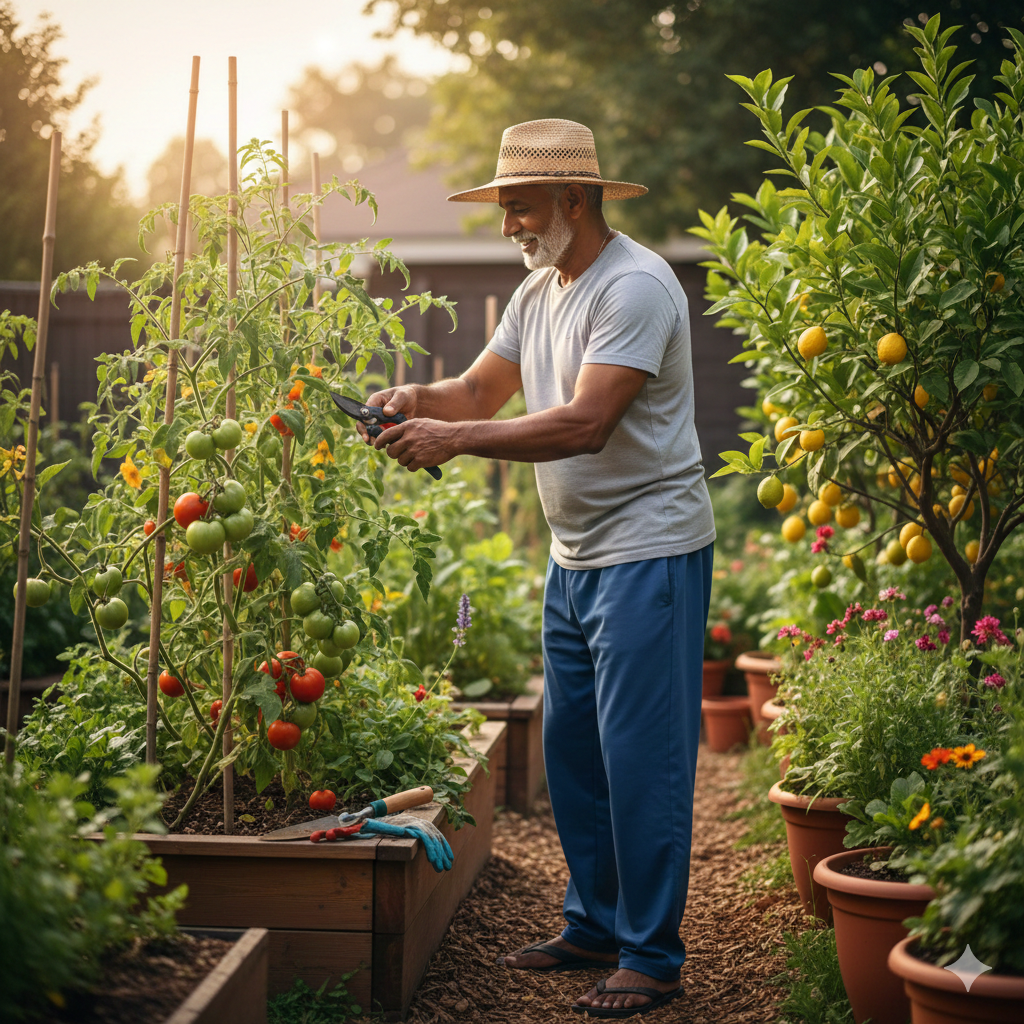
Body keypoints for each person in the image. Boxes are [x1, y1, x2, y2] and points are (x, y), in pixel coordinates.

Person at [357, 119, 715, 1018]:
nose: (509, 224)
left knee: (643, 760)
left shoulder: (634, 287)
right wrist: (413, 400)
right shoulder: (542, 289)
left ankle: (652, 953)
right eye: (503, 209)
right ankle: (594, 923)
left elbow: (585, 421)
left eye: (519, 207)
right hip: (577, 554)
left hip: (650, 549)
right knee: (574, 753)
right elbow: (478, 393)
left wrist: (454, 439)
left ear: (575, 199)